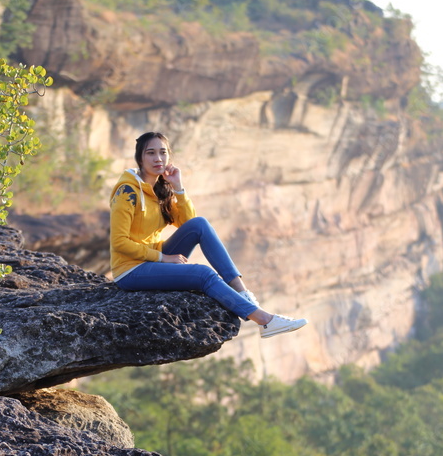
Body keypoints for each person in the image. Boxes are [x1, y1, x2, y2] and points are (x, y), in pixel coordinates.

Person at [109, 131, 307, 338]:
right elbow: (119, 243)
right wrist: (164, 258)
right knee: (203, 275)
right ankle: (265, 321)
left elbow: (188, 223)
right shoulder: (127, 192)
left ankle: (243, 293)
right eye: (150, 153)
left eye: (163, 152)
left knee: (200, 225)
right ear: (140, 158)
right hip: (131, 270)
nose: (158, 158)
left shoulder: (159, 189)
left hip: (153, 256)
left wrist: (178, 188)